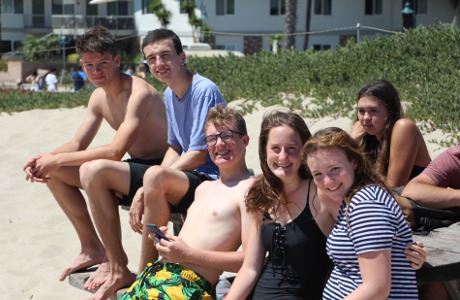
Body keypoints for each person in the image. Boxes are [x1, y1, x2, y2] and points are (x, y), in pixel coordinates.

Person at [22, 24, 168, 292]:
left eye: (102, 63)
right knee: (52, 171)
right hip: (133, 170)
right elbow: (78, 142)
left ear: (116, 60)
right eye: (89, 65)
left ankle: (118, 266)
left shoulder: (139, 93)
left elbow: (115, 151)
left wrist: (57, 160)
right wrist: (44, 159)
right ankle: (92, 248)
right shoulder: (98, 96)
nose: (96, 71)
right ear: (82, 65)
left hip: (163, 170)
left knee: (91, 170)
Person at [226, 112, 426, 300]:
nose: (283, 157)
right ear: (264, 150)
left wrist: (408, 249)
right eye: (275, 149)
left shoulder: (329, 194)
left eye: (292, 148)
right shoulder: (262, 193)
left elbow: (381, 224)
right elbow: (251, 267)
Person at [120, 105, 254, 300]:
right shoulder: (203, 189)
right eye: (211, 139)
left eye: (227, 135)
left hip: (187, 288)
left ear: (245, 140)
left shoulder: (250, 190)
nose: (219, 144)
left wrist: (187, 254)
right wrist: (166, 245)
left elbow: (250, 262)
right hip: (154, 279)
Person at [128, 28, 226, 279]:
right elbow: (175, 146)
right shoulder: (170, 93)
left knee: (154, 179)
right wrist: (151, 179)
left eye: (165, 56)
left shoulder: (204, 90)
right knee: (106, 174)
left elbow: (199, 154)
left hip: (214, 177)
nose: (159, 63)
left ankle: (144, 274)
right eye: (151, 59)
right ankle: (115, 264)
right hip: (190, 175)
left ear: (182, 57)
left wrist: (147, 184)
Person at [303, 127, 419, 299]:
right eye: (318, 174)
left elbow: (377, 288)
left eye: (334, 168)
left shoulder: (366, 204)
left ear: (354, 161)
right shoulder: (354, 199)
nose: (327, 181)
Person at [403, 143, 460, 300]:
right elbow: (412, 191)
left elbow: (393, 180)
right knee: (435, 281)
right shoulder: (455, 156)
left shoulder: (403, 127)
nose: (366, 117)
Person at [350, 79, 431, 187]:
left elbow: (393, 187)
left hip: (423, 202)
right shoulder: (369, 140)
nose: (365, 118)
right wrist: (350, 140)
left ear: (390, 111)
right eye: (361, 111)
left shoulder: (404, 127)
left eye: (373, 111)